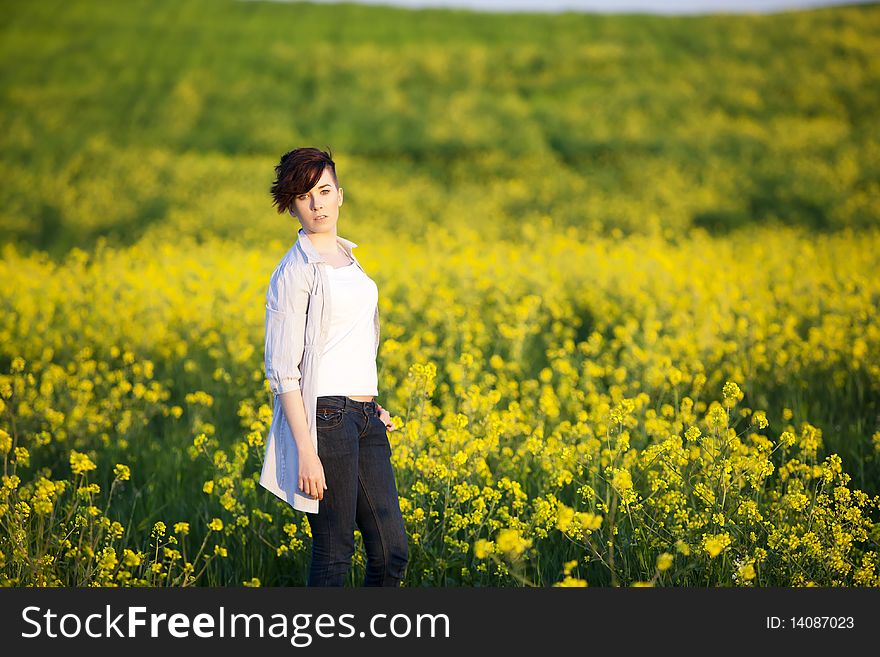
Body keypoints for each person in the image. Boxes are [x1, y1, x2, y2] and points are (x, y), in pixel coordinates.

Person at [259, 147, 409, 587]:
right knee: (334, 553)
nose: (317, 203)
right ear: (291, 206)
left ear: (340, 195)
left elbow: (351, 343)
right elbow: (283, 371)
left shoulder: (350, 260)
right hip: (324, 420)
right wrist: (307, 451)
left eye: (324, 191)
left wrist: (372, 403)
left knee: (390, 549)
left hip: (364, 417)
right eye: (305, 196)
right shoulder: (294, 271)